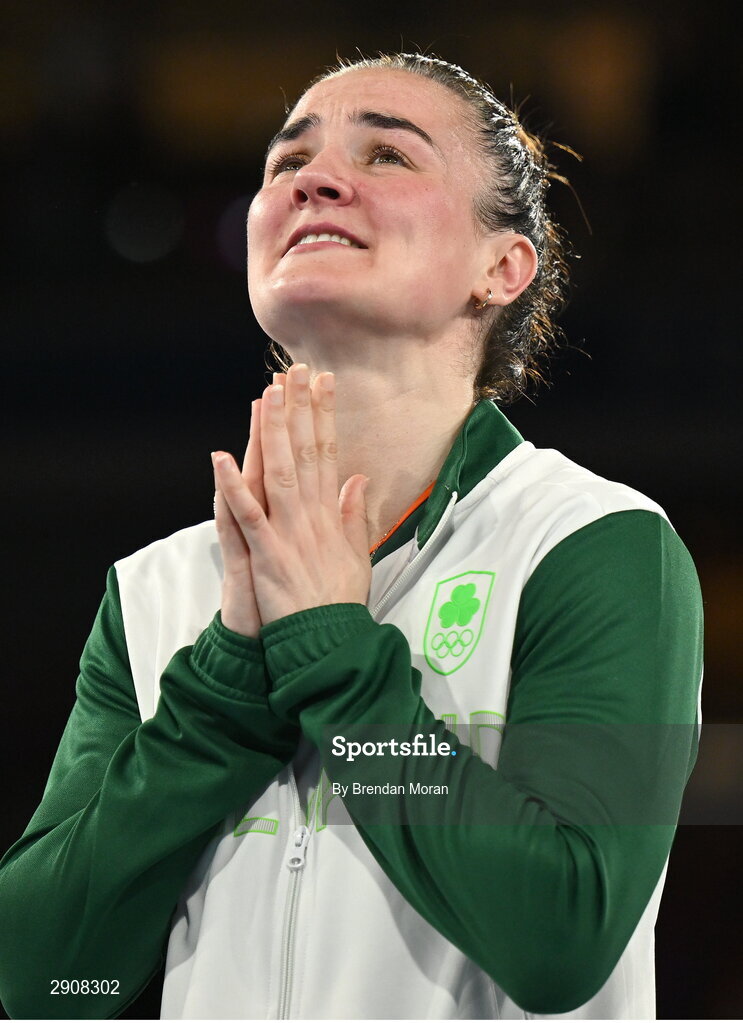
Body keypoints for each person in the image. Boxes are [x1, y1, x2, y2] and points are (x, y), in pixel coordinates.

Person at [0, 52, 703, 1020]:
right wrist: (223, 691)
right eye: (285, 162)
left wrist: (334, 659)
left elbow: (560, 940)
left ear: (499, 267)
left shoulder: (592, 544)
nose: (313, 178)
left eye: (386, 155)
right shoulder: (154, 592)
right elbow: (44, 985)